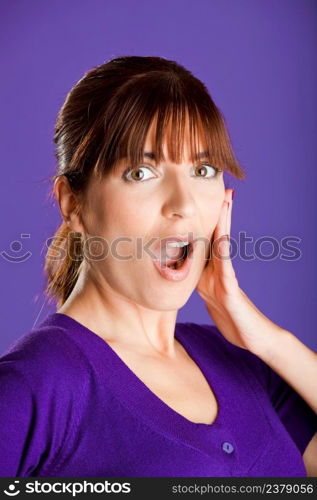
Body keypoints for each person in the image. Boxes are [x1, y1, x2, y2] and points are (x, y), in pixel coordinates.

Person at [0, 55, 316, 478]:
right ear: (73, 203)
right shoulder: (36, 386)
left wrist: (269, 340)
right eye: (141, 173)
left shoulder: (246, 364)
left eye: (203, 170)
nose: (183, 205)